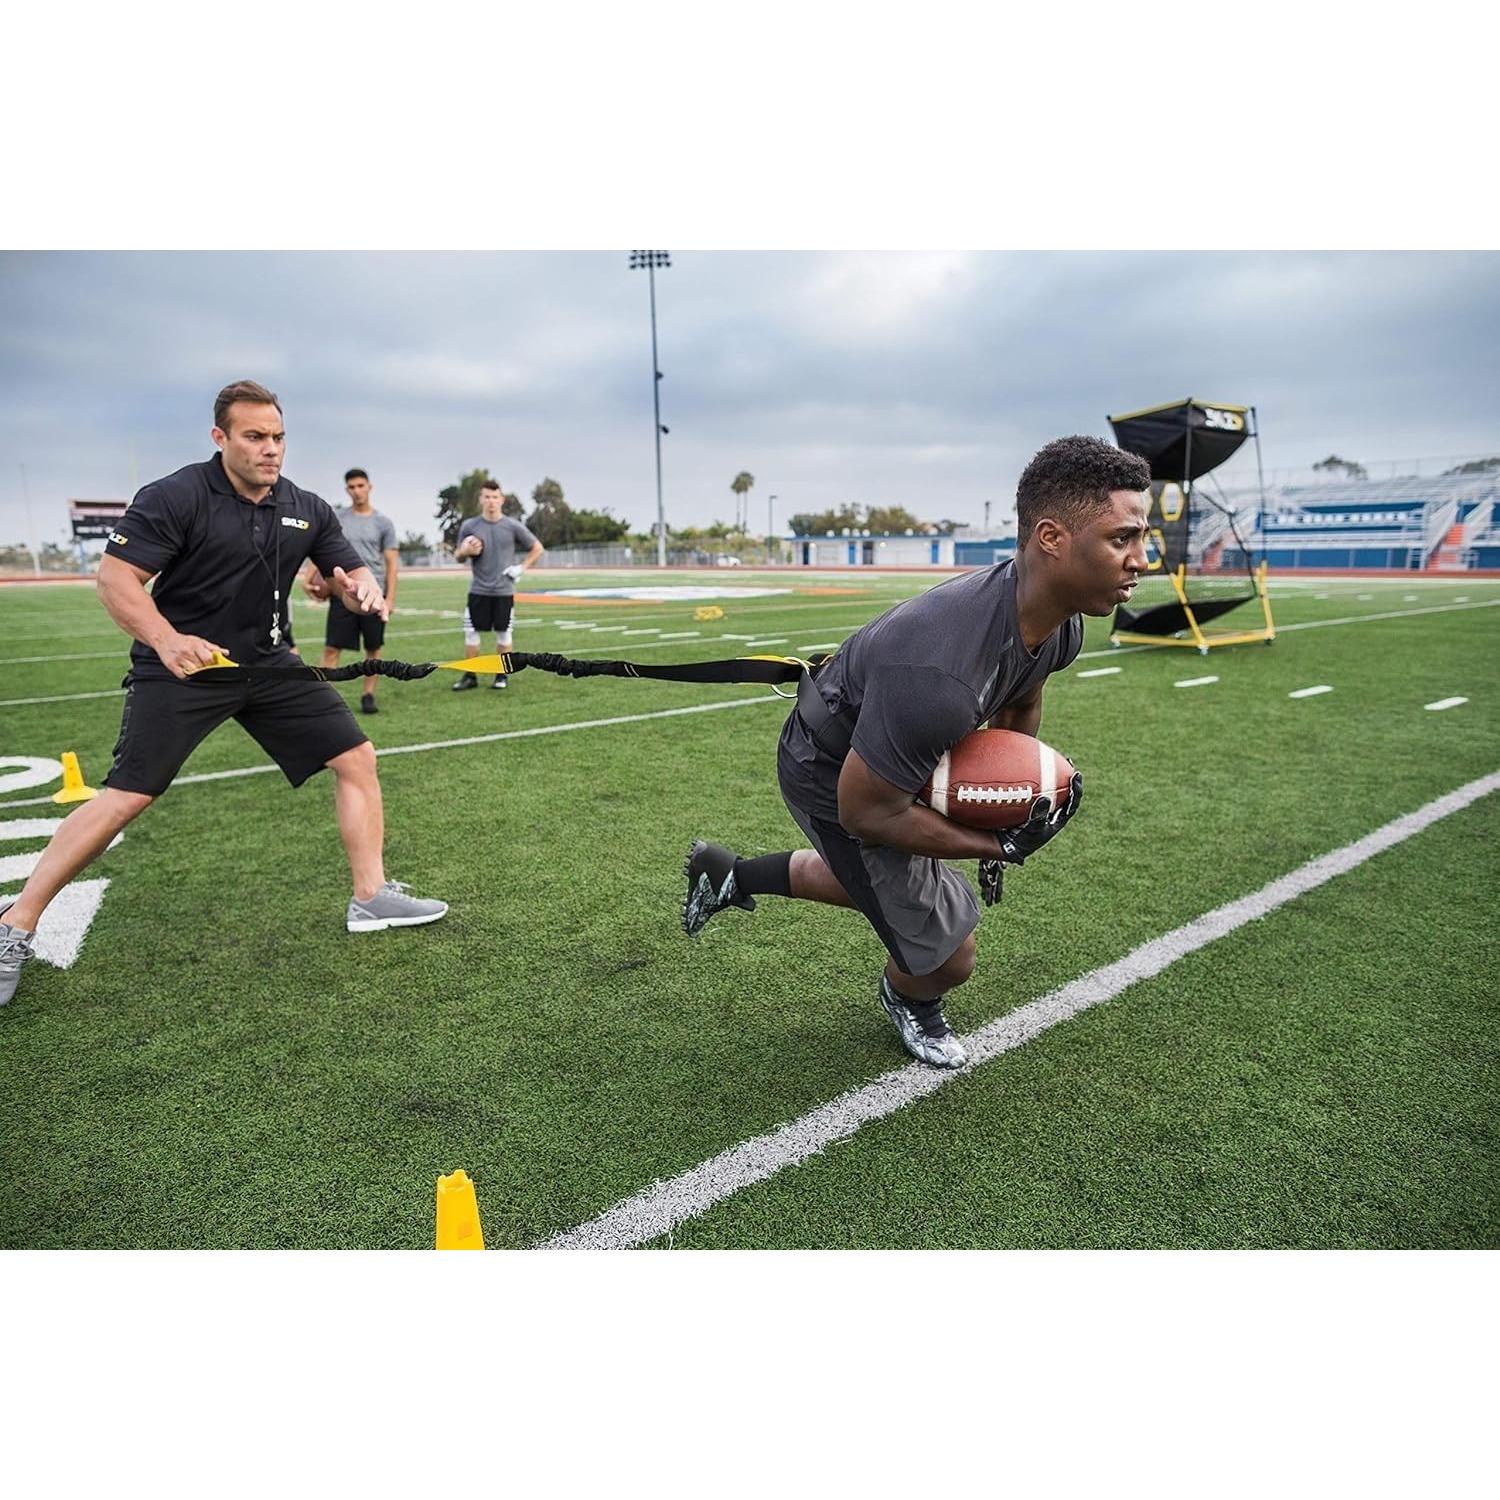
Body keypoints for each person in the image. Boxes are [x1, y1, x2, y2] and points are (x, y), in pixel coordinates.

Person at [681, 435, 1151, 1068]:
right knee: (948, 952)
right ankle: (910, 999)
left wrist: (1011, 804)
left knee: (888, 882)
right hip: (829, 766)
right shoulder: (942, 678)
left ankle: (729, 873)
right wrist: (996, 846)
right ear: (1051, 537)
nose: (1140, 559)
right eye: (1122, 538)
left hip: (888, 744)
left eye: (1142, 538)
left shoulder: (1060, 623)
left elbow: (1020, 703)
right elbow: (865, 813)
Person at [0, 380, 447, 1007]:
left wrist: (357, 590)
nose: (270, 450)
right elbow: (115, 578)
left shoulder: (306, 506)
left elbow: (343, 572)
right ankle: (13, 925)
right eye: (255, 437)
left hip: (269, 666)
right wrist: (164, 638)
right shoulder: (176, 495)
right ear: (221, 438)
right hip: (185, 666)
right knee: (127, 796)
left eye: (279, 437)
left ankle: (371, 897)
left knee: (357, 759)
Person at [301, 468, 399, 714]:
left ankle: (368, 695)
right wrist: (308, 576)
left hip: (373, 594)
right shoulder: (338, 518)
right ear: (347, 490)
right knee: (332, 648)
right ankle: (325, 701)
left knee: (373, 649)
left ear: (369, 487)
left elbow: (391, 564)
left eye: (360, 486)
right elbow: (321, 549)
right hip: (341, 593)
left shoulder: (383, 523)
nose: (357, 491)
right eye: (352, 487)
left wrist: (389, 598)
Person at [450, 480, 544, 691]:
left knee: (504, 634)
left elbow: (537, 547)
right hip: (478, 590)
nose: (491, 501)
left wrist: (522, 567)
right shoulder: (470, 526)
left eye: (495, 497)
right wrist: (465, 551)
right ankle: (470, 675)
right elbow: (458, 557)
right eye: (487, 497)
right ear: (480, 499)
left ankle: (501, 675)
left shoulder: (512, 525)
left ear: (501, 500)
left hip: (503, 590)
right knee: (471, 633)